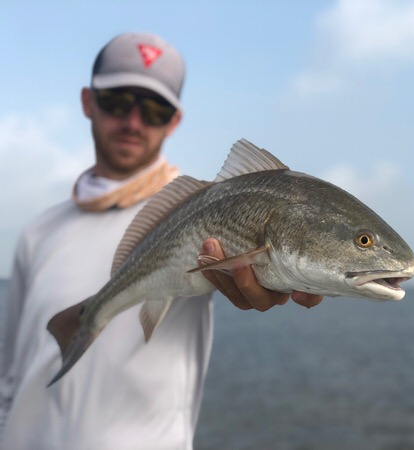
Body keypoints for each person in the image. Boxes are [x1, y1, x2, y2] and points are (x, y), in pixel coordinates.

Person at [0, 32, 322, 449]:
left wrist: (293, 274)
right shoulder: (36, 232)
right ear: (87, 102)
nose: (133, 121)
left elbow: (264, 237)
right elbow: (9, 371)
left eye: (154, 109)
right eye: (117, 101)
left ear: (174, 121)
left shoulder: (208, 203)